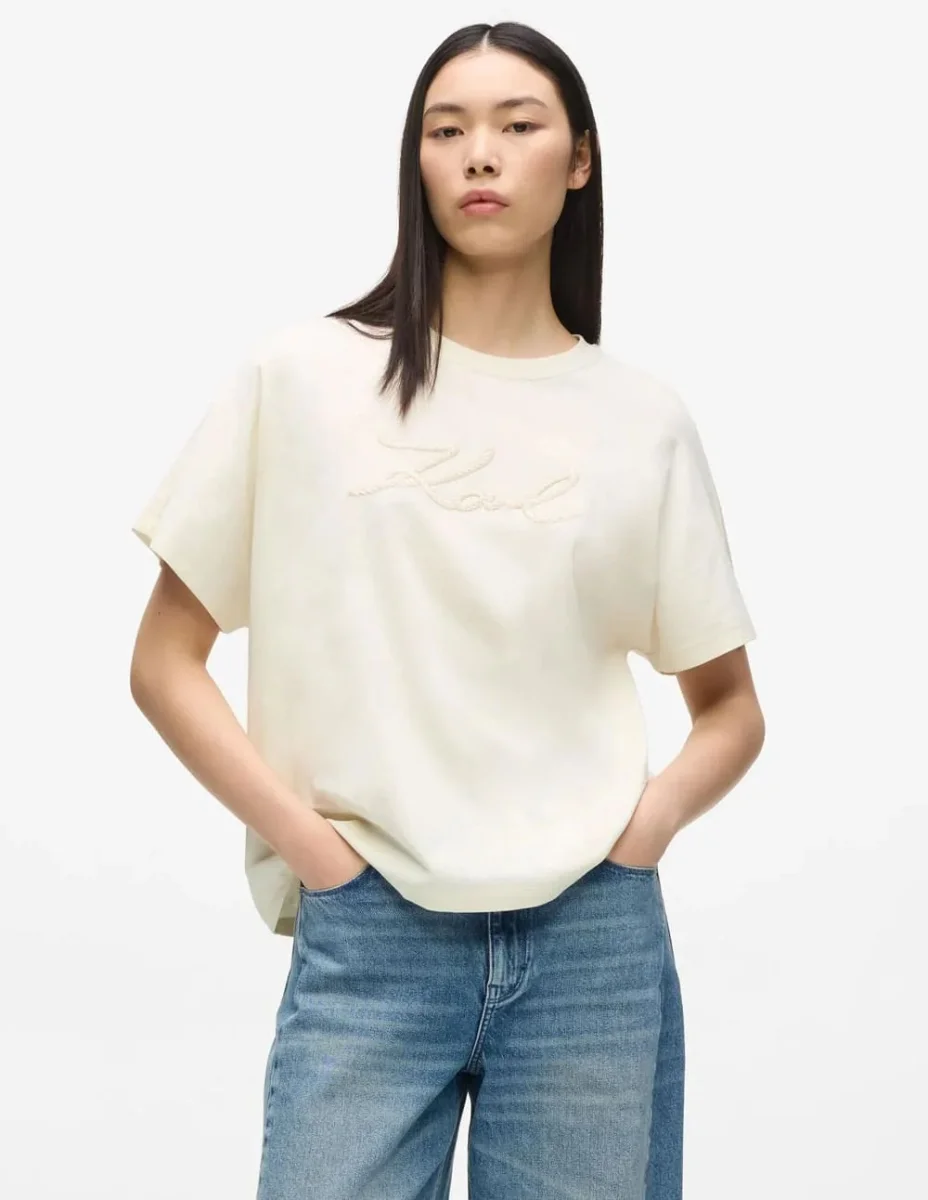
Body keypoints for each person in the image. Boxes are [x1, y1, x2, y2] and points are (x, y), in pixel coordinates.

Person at [129, 20, 764, 1200]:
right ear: (415, 159)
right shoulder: (304, 378)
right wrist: (319, 857)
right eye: (446, 128)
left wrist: (641, 835)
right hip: (369, 930)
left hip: (591, 944)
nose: (480, 153)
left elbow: (728, 706)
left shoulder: (640, 420)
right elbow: (165, 660)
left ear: (579, 159)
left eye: (518, 125)